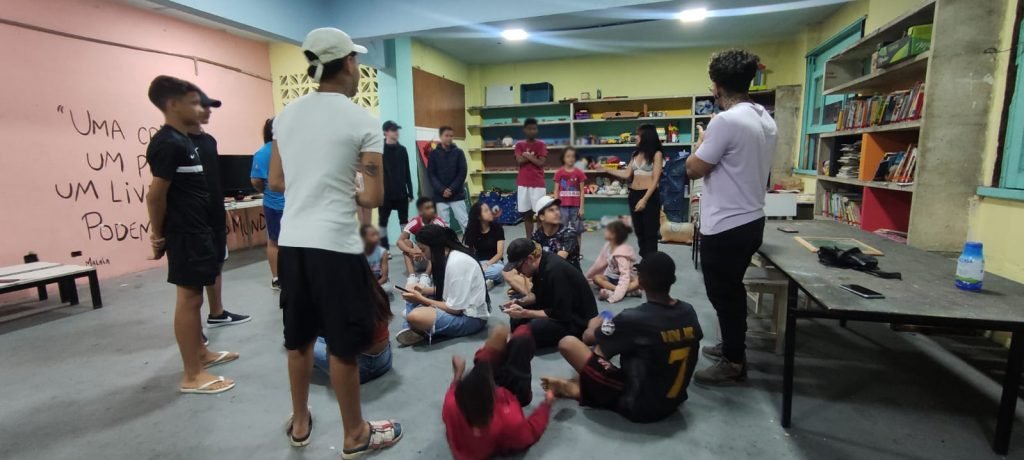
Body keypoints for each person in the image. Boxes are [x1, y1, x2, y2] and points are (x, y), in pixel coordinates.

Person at [269, 27, 401, 457]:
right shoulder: (362, 120)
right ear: (347, 63)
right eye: (356, 61)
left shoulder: (286, 115)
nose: (358, 68)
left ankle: (301, 423)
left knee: (299, 340)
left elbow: (275, 181)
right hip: (336, 246)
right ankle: (355, 434)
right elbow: (373, 197)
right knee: (344, 345)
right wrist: (351, 181)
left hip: (292, 243)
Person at [686, 49, 777, 386]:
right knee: (731, 291)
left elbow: (694, 168)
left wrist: (700, 142)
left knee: (724, 294)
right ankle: (732, 346)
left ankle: (734, 361)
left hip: (726, 223)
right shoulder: (763, 117)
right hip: (752, 218)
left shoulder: (725, 121)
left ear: (716, 86)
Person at [144, 75, 239, 395]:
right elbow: (155, 196)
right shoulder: (167, 143)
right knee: (190, 298)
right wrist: (158, 236)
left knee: (197, 296)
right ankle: (191, 375)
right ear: (172, 105)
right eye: (194, 102)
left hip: (204, 229)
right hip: (186, 233)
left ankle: (200, 354)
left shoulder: (189, 141)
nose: (201, 108)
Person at [541, 252, 703, 423]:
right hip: (674, 400)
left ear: (640, 282)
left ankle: (577, 389)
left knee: (570, 343)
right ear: (672, 280)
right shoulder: (688, 311)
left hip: (638, 405)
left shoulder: (634, 318)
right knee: (618, 344)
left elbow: (588, 338)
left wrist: (594, 324)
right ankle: (577, 385)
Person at [188, 90, 251, 327]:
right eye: (200, 106)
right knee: (191, 286)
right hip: (193, 221)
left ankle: (217, 312)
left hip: (214, 215)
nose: (207, 111)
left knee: (217, 263)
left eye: (208, 106)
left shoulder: (209, 141)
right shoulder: (177, 143)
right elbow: (159, 191)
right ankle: (193, 335)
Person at [443, 326, 552, 460]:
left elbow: (455, 390)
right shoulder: (508, 422)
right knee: (522, 337)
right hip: (514, 393)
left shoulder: (452, 403)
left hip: (487, 392)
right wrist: (547, 404)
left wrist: (458, 374)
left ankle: (499, 352)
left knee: (501, 333)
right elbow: (531, 431)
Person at [397, 225, 489, 346]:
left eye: (423, 250)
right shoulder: (447, 257)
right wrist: (424, 290)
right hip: (456, 307)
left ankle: (414, 326)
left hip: (471, 319)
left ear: (434, 246)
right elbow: (448, 291)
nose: (423, 255)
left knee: (415, 316)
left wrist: (421, 298)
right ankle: (415, 327)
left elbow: (455, 310)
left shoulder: (456, 262)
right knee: (412, 291)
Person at [501, 238, 597, 349]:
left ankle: (519, 339)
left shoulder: (554, 271)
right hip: (555, 306)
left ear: (530, 259)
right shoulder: (539, 264)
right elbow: (537, 295)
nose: (518, 272)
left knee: (533, 328)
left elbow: (560, 314)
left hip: (575, 319)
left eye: (518, 267)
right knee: (517, 310)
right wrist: (521, 302)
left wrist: (525, 313)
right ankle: (518, 336)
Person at [312, 267, 393, 384]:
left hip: (357, 369)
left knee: (302, 345)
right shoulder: (374, 287)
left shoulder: (337, 295)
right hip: (385, 360)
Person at [600, 123, 663, 257]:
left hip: (649, 196)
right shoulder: (635, 154)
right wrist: (606, 169)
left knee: (650, 232)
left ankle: (650, 262)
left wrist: (644, 200)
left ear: (646, 137)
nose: (636, 137)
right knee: (639, 231)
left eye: (639, 135)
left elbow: (656, 179)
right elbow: (627, 174)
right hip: (634, 194)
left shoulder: (656, 154)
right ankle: (644, 259)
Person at [503, 195, 581, 296]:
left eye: (557, 209)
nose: (557, 212)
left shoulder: (568, 233)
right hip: (544, 275)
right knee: (508, 272)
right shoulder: (537, 235)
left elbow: (557, 262)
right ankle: (532, 292)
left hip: (564, 276)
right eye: (551, 210)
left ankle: (531, 293)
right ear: (541, 216)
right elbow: (529, 260)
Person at [251, 118, 285, 290]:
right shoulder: (290, 149)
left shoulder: (262, 153)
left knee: (274, 241)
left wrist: (265, 190)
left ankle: (277, 278)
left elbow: (256, 180)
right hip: (289, 204)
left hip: (274, 204)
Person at [397, 197, 448, 288]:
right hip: (418, 256)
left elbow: (445, 244)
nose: (432, 210)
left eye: (432, 207)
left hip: (433, 260)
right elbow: (399, 241)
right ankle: (412, 277)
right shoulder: (415, 222)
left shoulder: (438, 222)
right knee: (406, 242)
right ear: (420, 211)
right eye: (428, 208)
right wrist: (411, 251)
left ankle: (426, 276)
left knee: (436, 246)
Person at [584, 220, 640, 303]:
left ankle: (613, 292)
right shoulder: (608, 246)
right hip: (610, 277)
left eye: (607, 231)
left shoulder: (621, 254)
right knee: (596, 278)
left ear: (613, 235)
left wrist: (616, 296)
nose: (604, 232)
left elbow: (625, 276)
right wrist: (587, 276)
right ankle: (626, 291)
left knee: (639, 281)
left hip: (625, 278)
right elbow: (599, 263)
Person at [379, 120, 414, 250]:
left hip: (401, 193)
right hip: (384, 194)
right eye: (393, 130)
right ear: (385, 132)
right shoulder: (379, 150)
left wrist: (410, 191)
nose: (396, 133)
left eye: (397, 130)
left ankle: (407, 248)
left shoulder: (402, 150)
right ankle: (383, 249)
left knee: (404, 222)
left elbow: (407, 172)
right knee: (382, 222)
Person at [428, 126, 469, 232]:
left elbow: (462, 172)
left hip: (457, 194)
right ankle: (447, 247)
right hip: (440, 196)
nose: (449, 138)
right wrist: (442, 190)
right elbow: (431, 174)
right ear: (441, 137)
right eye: (446, 136)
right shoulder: (433, 154)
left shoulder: (459, 152)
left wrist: (451, 189)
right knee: (443, 224)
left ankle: (471, 247)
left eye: (451, 136)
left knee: (464, 221)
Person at [515, 118, 548, 237]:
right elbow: (519, 161)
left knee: (540, 213)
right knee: (526, 213)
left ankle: (539, 238)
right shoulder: (519, 145)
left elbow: (540, 163)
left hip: (538, 184)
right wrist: (533, 157)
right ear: (524, 130)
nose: (532, 131)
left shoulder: (541, 144)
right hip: (523, 183)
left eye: (534, 128)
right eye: (529, 129)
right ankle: (529, 239)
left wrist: (526, 155)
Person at [463, 201, 505, 290]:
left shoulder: (497, 228)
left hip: (495, 263)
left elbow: (500, 254)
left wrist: (487, 264)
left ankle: (477, 279)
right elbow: (468, 252)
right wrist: (476, 265)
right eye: (486, 211)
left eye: (489, 209)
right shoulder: (472, 230)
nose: (490, 212)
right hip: (479, 262)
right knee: (464, 270)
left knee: (500, 271)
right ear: (478, 216)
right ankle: (487, 280)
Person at [553, 147, 586, 244]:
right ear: (563, 158)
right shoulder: (559, 173)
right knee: (561, 230)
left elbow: (582, 191)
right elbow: (556, 191)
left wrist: (582, 207)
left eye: (573, 156)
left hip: (576, 207)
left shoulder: (579, 173)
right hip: (562, 207)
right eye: (568, 156)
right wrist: (556, 207)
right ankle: (562, 250)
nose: (571, 159)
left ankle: (577, 252)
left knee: (577, 230)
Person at [361, 224, 391, 296]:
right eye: (373, 235)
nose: (377, 237)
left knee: (387, 288)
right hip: (364, 282)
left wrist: (374, 286)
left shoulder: (382, 252)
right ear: (364, 238)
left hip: (378, 281)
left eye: (377, 234)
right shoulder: (359, 252)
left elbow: (384, 277)